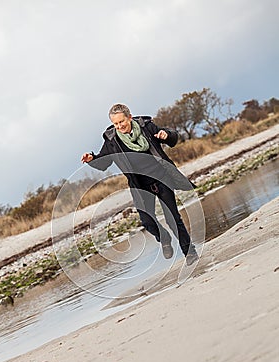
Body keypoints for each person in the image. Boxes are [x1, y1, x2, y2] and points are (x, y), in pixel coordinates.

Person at [81, 104, 198, 265]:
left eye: (122, 121)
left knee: (173, 218)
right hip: (140, 185)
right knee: (148, 222)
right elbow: (103, 163)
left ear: (129, 117)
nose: (119, 126)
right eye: (116, 124)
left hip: (162, 178)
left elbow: (173, 139)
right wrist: (91, 160)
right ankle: (164, 237)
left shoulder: (146, 127)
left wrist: (167, 135)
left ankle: (190, 252)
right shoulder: (112, 140)